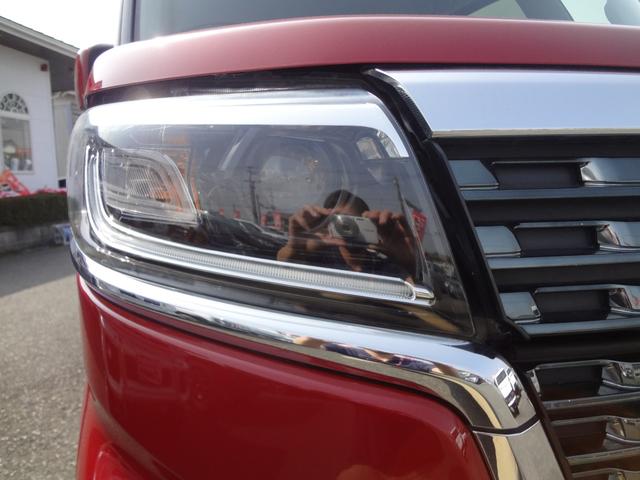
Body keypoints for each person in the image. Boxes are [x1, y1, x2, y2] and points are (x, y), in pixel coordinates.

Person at [277, 190, 417, 281]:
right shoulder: (320, 258)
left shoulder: (382, 265)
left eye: (353, 222)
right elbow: (283, 267)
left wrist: (407, 261)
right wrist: (295, 247)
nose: (348, 230)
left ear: (368, 224)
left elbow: (411, 288)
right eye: (340, 222)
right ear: (329, 225)